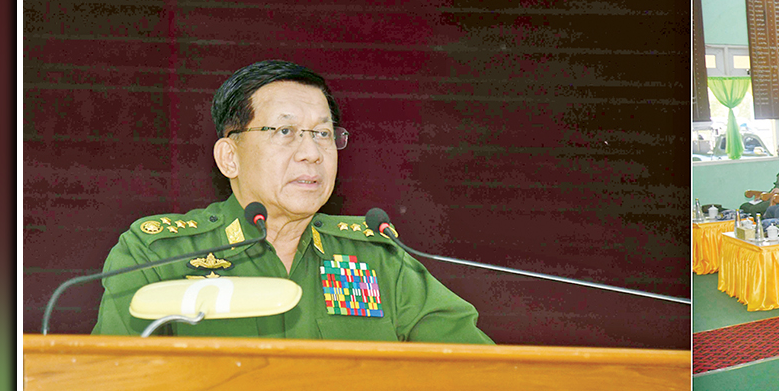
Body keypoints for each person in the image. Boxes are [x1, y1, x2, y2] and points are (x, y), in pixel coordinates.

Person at [93, 59, 490, 341]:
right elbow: (110, 382)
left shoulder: (377, 257)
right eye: (285, 132)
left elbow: (481, 370)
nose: (311, 153)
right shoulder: (160, 253)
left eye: (322, 134)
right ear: (229, 157)